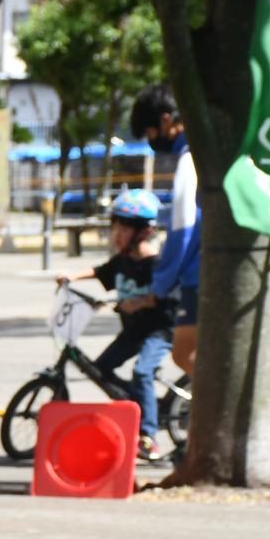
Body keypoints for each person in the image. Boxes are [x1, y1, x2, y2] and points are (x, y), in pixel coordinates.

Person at [55, 189, 175, 463]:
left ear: (143, 232)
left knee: (143, 372)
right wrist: (71, 276)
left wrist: (141, 302)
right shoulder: (122, 261)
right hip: (132, 331)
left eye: (124, 228)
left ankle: (149, 437)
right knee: (101, 369)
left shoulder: (155, 263)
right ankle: (139, 403)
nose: (116, 235)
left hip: (158, 331)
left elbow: (166, 294)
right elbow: (100, 272)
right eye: (114, 227)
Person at [131, 85, 199, 385]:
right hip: (203, 272)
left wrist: (160, 285)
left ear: (166, 120)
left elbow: (183, 226)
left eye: (149, 133)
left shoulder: (189, 160)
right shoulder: (200, 155)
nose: (151, 142)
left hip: (199, 275)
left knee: (186, 353)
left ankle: (226, 417)